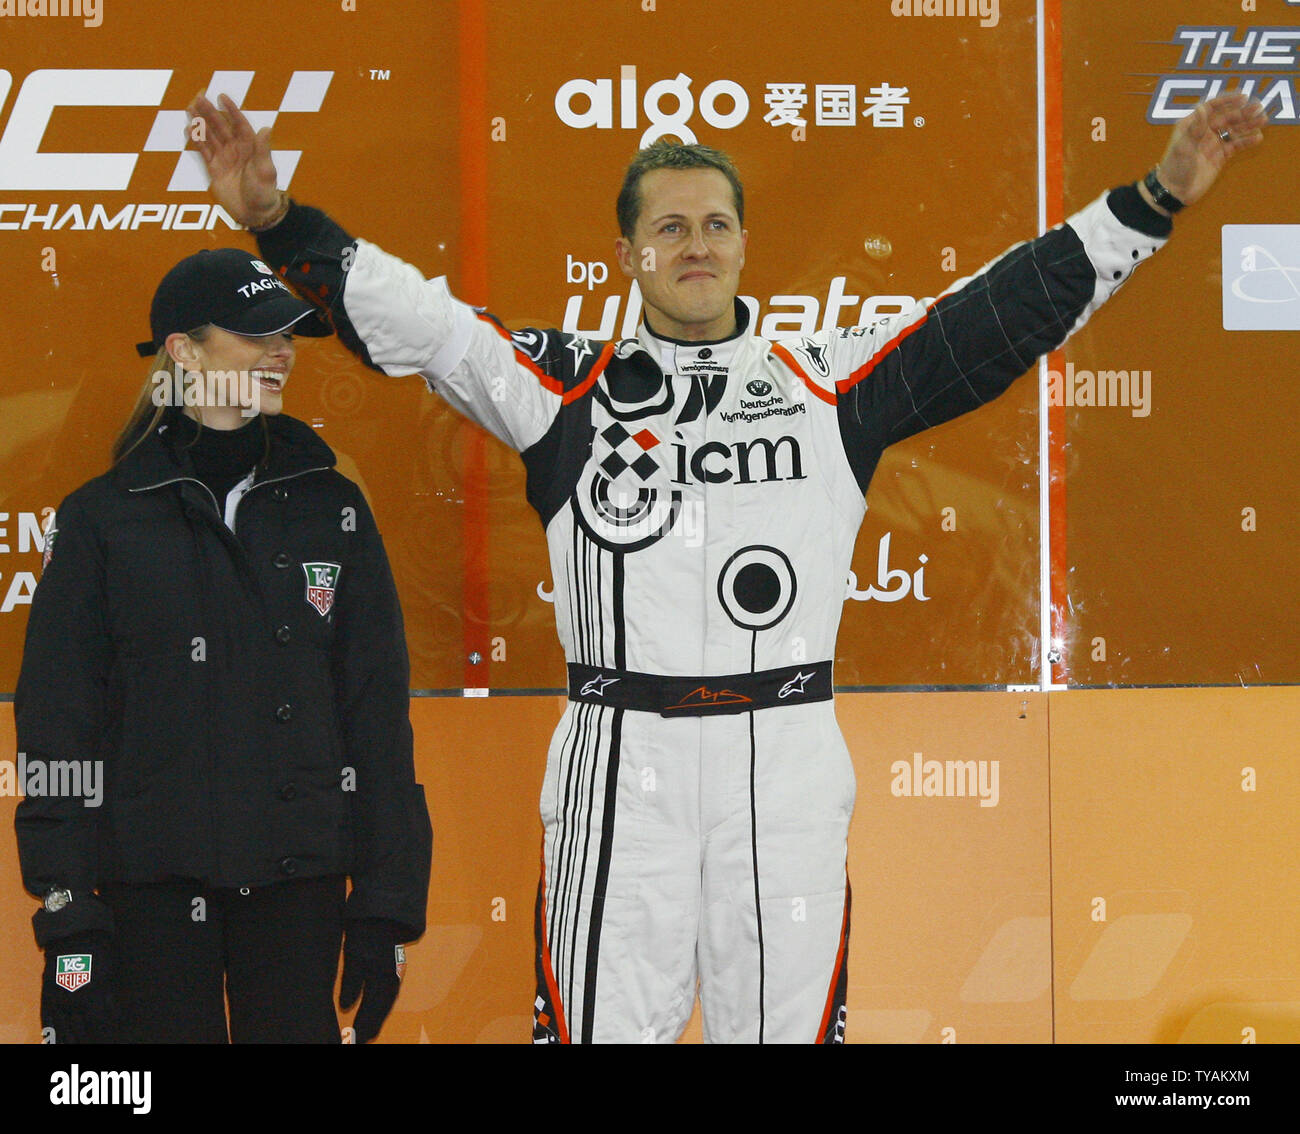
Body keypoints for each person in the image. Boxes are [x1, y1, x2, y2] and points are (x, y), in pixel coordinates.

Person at [186, 90, 1265, 1044]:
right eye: (668, 227)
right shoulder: (565, 384)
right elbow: (419, 324)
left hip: (782, 762)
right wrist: (281, 225)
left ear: (746, 242)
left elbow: (991, 316)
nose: (694, 244)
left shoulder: (828, 379)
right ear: (629, 255)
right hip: (621, 764)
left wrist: (1154, 199)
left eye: (714, 224)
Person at [14, 247, 433, 1043]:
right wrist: (69, 912)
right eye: (255, 333)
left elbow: (376, 717)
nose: (282, 351)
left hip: (298, 893)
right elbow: (58, 731)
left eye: (290, 334)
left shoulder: (332, 508)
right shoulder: (102, 520)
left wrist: (383, 904)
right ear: (184, 350)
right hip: (147, 897)